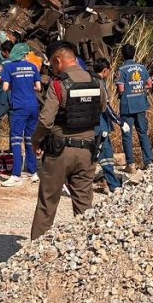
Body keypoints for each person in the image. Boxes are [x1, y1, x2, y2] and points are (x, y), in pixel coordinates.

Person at [30, 44, 107, 239]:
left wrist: (36, 141)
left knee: (47, 205)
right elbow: (103, 108)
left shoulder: (58, 84)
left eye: (52, 64)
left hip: (59, 152)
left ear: (57, 61)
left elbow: (46, 121)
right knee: (84, 207)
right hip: (87, 152)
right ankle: (86, 252)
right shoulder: (97, 82)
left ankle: (35, 255)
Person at [0, 43, 41, 187]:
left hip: (19, 107)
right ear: (25, 54)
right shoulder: (33, 67)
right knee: (30, 139)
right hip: (33, 106)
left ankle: (16, 175)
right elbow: (39, 88)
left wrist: (14, 86)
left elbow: (4, 88)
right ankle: (33, 172)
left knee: (16, 140)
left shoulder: (9, 67)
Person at [117, 43, 153, 173]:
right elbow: (150, 84)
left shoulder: (122, 70)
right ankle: (149, 161)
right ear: (134, 53)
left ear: (123, 55)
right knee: (143, 133)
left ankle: (131, 164)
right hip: (141, 104)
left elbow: (121, 89)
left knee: (127, 134)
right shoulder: (141, 68)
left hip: (127, 107)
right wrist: (141, 90)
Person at [93, 57, 128, 192]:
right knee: (106, 155)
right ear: (105, 70)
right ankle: (113, 185)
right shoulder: (100, 83)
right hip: (100, 125)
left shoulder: (89, 81)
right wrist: (119, 122)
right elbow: (106, 108)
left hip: (90, 125)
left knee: (93, 155)